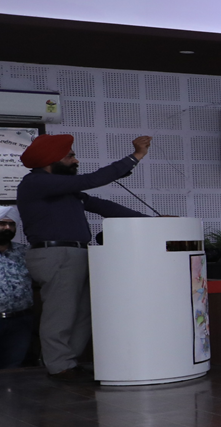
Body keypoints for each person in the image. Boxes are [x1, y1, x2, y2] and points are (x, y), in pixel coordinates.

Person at [16, 132, 151, 380]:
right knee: (61, 313)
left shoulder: (64, 190)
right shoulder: (34, 182)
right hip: (56, 254)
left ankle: (69, 362)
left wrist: (151, 223)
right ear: (51, 161)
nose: (76, 160)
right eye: (70, 156)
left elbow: (102, 206)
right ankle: (59, 365)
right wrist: (135, 157)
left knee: (83, 313)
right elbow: (93, 180)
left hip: (75, 254)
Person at [0, 207, 35, 370]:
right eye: (1, 223)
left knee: (13, 368)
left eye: (11, 224)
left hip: (19, 320)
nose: (7, 228)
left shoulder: (24, 252)